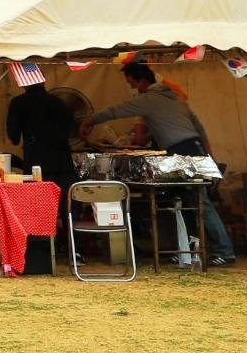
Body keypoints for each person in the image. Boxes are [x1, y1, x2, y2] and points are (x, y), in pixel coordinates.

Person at [82, 60, 235, 264]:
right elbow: (200, 130)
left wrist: (90, 120)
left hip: (182, 152)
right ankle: (187, 248)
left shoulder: (149, 99)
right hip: (194, 149)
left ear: (143, 81)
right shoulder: (177, 100)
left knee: (200, 203)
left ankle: (224, 251)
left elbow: (118, 110)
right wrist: (209, 156)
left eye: (132, 84)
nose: (132, 88)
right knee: (183, 201)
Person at [5, 82, 77, 192]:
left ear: (24, 83)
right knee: (65, 204)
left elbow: (14, 136)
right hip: (63, 164)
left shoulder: (18, 102)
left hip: (36, 164)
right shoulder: (59, 102)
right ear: (43, 82)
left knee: (39, 204)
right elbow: (72, 128)